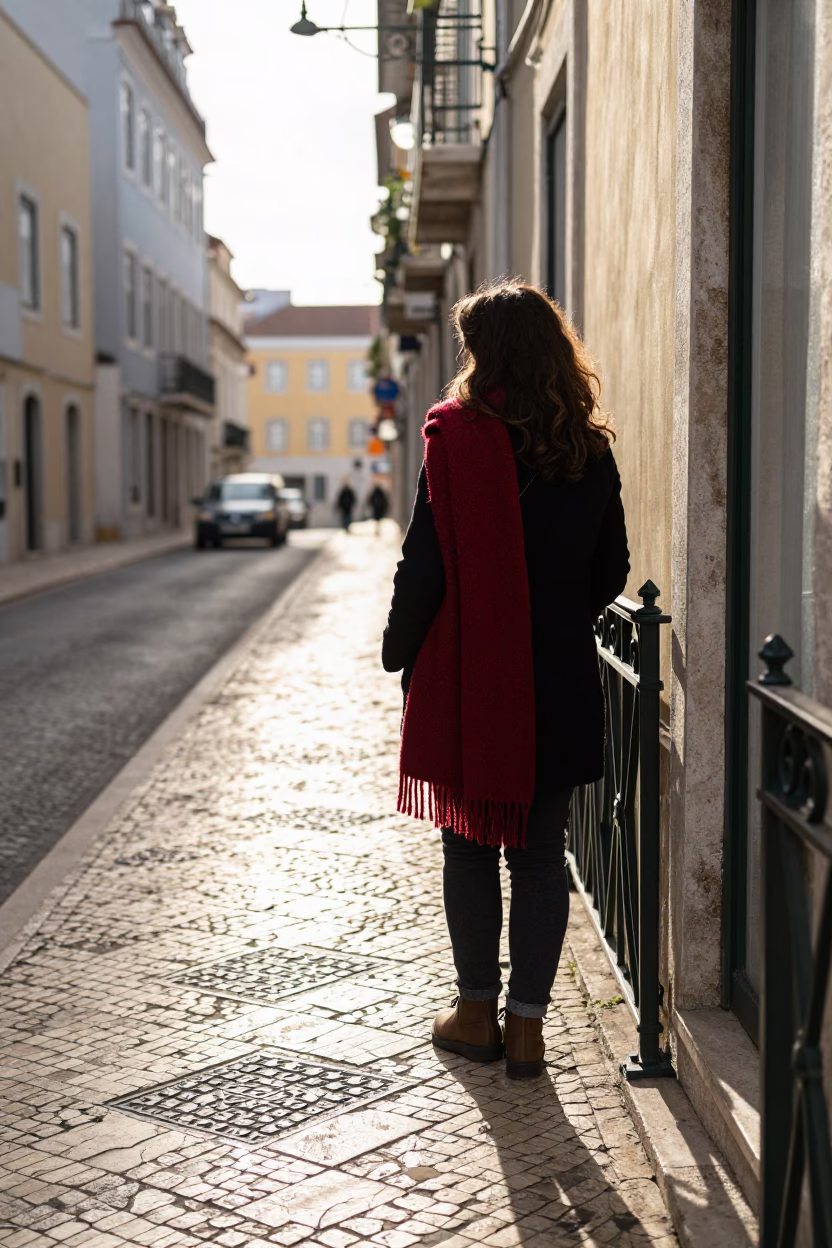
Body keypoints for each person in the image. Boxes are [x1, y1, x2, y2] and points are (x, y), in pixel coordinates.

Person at [381, 279, 629, 1078]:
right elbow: (611, 569)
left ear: (484, 353)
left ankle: (475, 1011)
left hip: (472, 676)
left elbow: (425, 562)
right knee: (539, 854)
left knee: (468, 847)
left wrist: (402, 648)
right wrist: (548, 617)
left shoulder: (455, 437)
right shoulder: (587, 446)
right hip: (555, 673)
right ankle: (528, 1029)